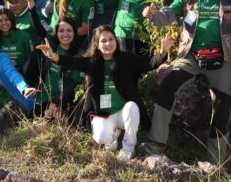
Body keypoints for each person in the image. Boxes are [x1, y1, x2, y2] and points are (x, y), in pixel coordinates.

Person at [140, 0, 231, 164]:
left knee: (222, 105)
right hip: (192, 55)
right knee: (168, 85)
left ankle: (215, 161)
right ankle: (156, 143)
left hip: (221, 57)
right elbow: (169, 15)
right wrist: (153, 15)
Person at [37, 26, 175, 161]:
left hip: (123, 113)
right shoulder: (91, 62)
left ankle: (128, 148)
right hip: (104, 113)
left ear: (116, 41)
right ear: (97, 44)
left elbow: (148, 63)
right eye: (103, 41)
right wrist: (53, 56)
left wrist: (163, 51)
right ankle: (113, 135)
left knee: (132, 107)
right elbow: (73, 62)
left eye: (111, 39)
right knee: (101, 137)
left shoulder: (125, 59)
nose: (108, 43)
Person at [23, 16, 84, 122]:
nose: (65, 34)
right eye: (61, 31)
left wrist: (57, 102)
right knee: (30, 122)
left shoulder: (80, 55)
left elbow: (75, 85)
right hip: (44, 99)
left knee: (59, 123)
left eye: (69, 30)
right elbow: (38, 26)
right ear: (56, 33)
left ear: (75, 32)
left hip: (64, 102)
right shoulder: (51, 48)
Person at [0, 8, 34, 73]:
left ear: (12, 20)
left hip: (22, 74)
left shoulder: (24, 36)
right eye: (0, 21)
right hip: (0, 75)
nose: (4, 23)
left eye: (7, 19)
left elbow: (31, 58)